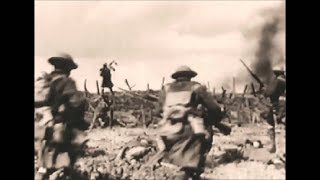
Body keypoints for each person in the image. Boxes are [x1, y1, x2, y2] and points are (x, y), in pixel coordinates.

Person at [153, 65, 224, 180]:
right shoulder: (197, 88)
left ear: (176, 77)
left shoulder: (166, 89)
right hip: (188, 130)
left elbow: (157, 112)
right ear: (190, 76)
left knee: (172, 162)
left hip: (166, 130)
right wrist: (211, 119)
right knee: (192, 159)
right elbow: (214, 109)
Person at [35, 53, 88, 180]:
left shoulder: (45, 80)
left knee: (43, 163)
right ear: (68, 68)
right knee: (65, 160)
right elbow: (76, 103)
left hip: (41, 127)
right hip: (59, 127)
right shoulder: (66, 82)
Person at [264, 65, 286, 153]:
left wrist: (265, 90)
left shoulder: (278, 81)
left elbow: (269, 92)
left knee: (276, 127)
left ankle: (277, 149)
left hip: (277, 106)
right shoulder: (284, 80)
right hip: (281, 105)